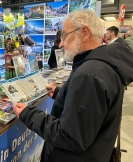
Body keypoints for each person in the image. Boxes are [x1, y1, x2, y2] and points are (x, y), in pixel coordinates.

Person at [12, 10, 133, 162]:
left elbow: (70, 137)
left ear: (84, 33)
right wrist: (60, 92)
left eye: (65, 36)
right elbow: (91, 108)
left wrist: (28, 114)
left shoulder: (89, 75)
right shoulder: (103, 65)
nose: (61, 43)